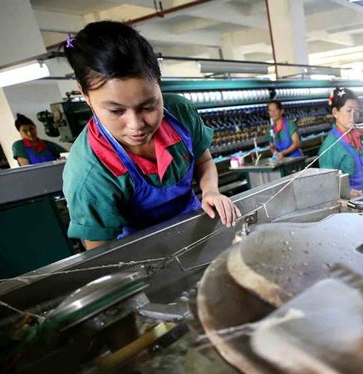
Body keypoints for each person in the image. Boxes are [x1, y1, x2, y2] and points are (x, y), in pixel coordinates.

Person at [61, 21, 239, 251]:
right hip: (144, 255)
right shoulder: (89, 172)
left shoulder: (180, 114)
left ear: (159, 82)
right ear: (84, 94)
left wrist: (210, 191)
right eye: (116, 111)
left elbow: (203, 161)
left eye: (148, 106)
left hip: (197, 227)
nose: (136, 125)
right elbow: (99, 251)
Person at [318, 87, 363, 197]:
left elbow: (361, 168)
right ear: (335, 112)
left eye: (357, 111)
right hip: (348, 204)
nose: (353, 116)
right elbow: (327, 184)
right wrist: (348, 192)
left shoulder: (354, 137)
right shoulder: (331, 147)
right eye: (349, 111)